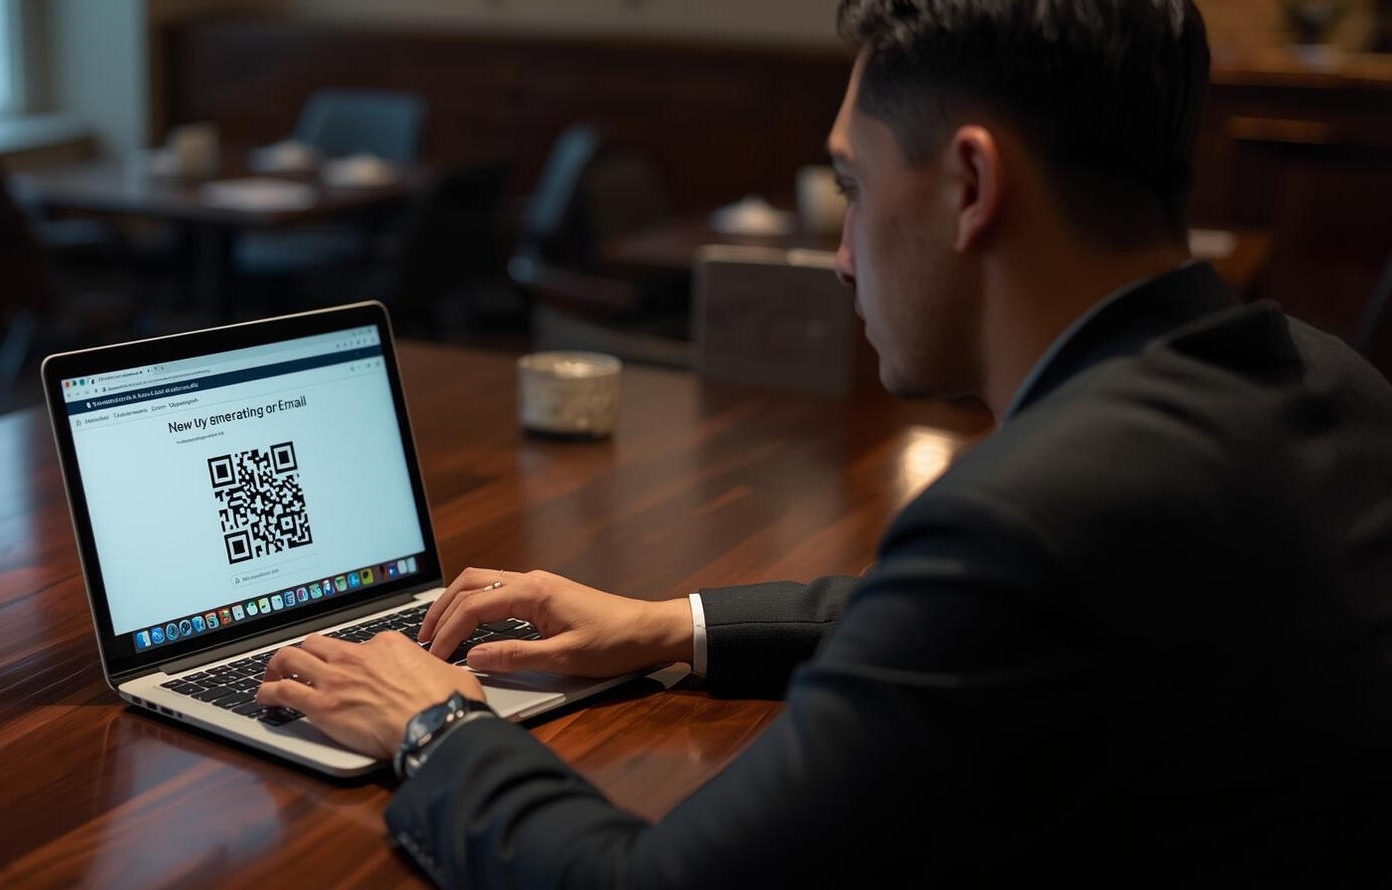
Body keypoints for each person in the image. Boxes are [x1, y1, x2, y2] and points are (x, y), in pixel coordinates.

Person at [255, 1, 1392, 885]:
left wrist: (431, 721)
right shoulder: (1324, 379)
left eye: (853, 184)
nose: (844, 254)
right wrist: (669, 627)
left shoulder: (1027, 516)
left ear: (970, 184)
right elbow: (988, 621)